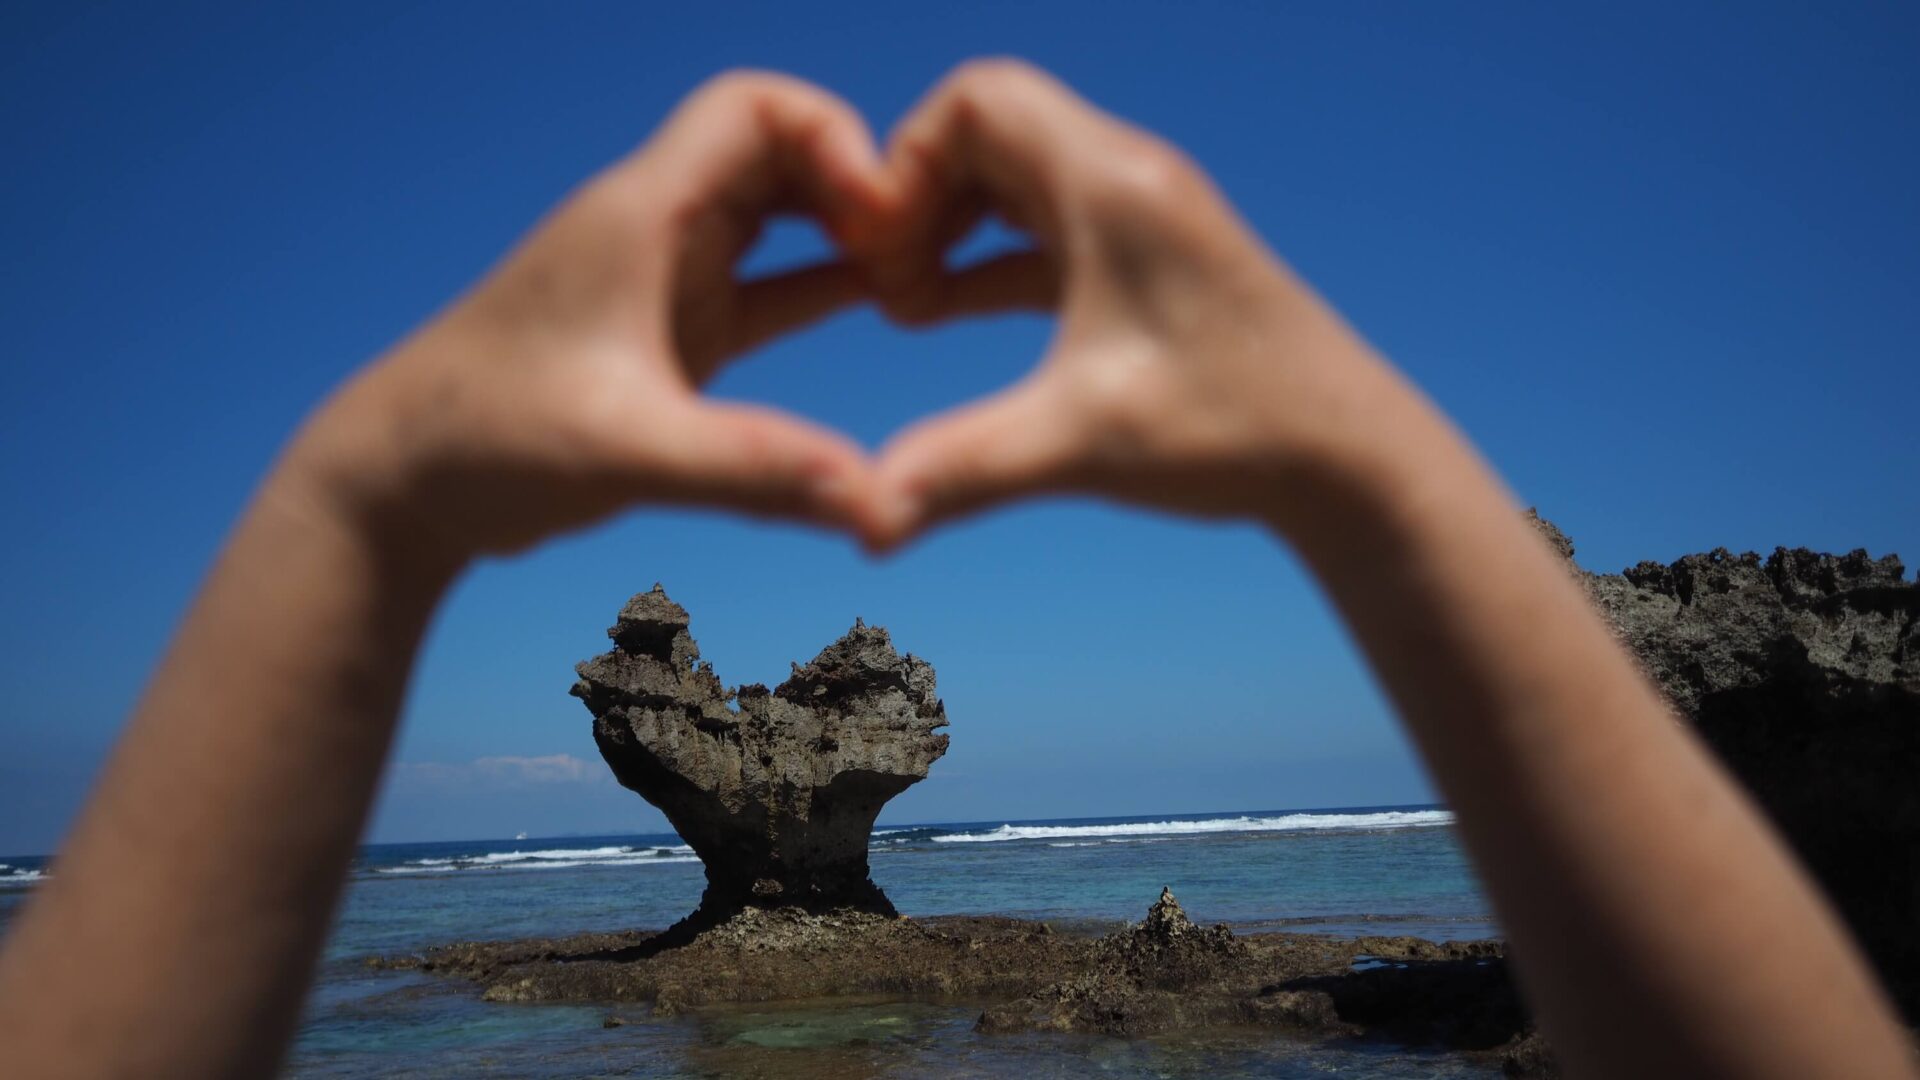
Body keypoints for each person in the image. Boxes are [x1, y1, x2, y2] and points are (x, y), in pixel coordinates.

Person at [0, 62, 1911, 1080]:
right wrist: (1376, 477)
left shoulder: (764, 734)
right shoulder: (727, 712)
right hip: (805, 916)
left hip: (782, 913)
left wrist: (362, 509)